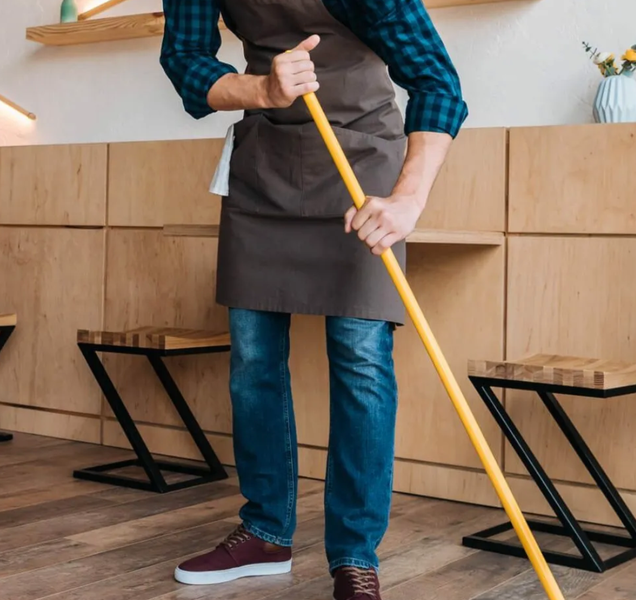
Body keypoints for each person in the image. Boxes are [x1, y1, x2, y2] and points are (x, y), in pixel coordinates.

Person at [159, 0, 467, 598]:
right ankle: (266, 532)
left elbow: (437, 82)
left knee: (360, 358)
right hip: (263, 161)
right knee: (252, 359)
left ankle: (355, 553)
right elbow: (185, 59)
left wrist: (407, 201)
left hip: (361, 160)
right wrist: (260, 90)